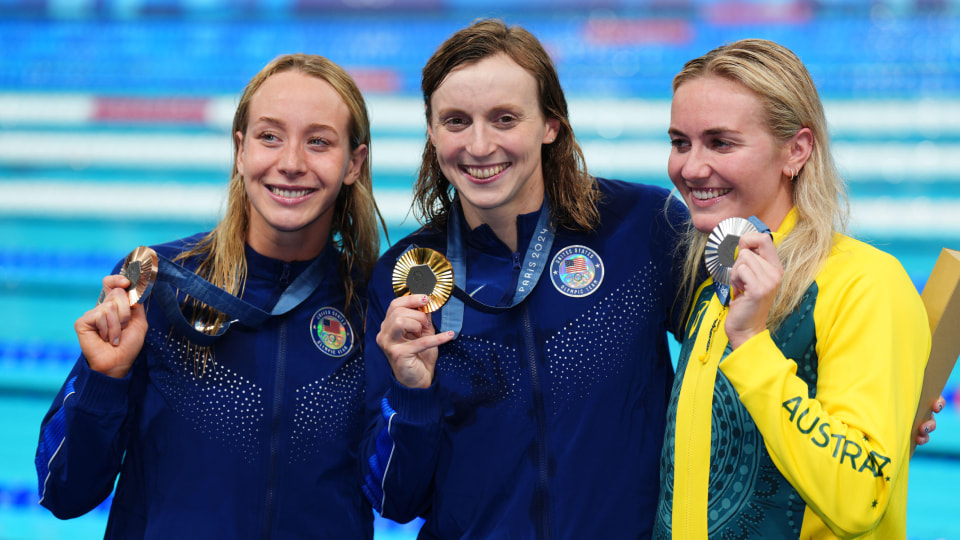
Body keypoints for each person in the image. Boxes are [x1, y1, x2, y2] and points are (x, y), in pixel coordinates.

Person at [360, 19, 688, 538]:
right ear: (431, 131)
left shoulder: (641, 227)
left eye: (505, 118)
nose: (479, 145)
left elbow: (728, 359)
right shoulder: (405, 277)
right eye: (456, 121)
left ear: (550, 124)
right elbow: (395, 502)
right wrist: (412, 394)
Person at [35, 53, 385, 538]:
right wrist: (105, 380)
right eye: (269, 137)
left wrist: (414, 395)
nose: (290, 163)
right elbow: (63, 492)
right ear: (240, 150)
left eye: (319, 142)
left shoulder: (371, 304)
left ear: (354, 163)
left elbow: (400, 496)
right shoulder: (158, 285)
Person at [654, 39, 931, 538]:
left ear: (796, 150)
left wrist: (752, 346)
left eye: (720, 143)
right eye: (680, 143)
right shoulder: (713, 283)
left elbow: (860, 496)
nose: (690, 168)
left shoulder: (866, 283)